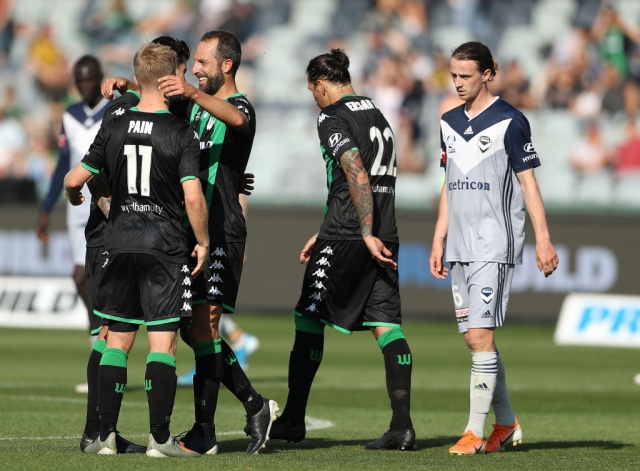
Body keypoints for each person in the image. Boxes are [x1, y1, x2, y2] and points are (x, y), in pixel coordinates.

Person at [63, 41, 209, 458]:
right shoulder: (181, 131)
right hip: (163, 246)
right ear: (170, 79)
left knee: (116, 342)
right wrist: (202, 241)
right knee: (162, 344)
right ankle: (161, 440)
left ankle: (104, 436)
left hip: (118, 243)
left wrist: (74, 198)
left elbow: (76, 180)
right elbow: (194, 198)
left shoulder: (115, 121)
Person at [268, 48, 415, 451]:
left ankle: (293, 420)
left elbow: (353, 168)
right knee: (387, 326)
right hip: (383, 232)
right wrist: (334, 229)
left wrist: (359, 230)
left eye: (312, 91)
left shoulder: (331, 115)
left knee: (307, 318)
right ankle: (401, 426)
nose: (314, 98)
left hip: (354, 233)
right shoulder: (377, 113)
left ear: (320, 84)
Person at [429, 41, 559, 455]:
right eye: (454, 75)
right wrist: (439, 236)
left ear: (488, 73)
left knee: (481, 334)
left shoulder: (511, 121)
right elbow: (449, 184)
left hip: (494, 242)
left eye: (466, 76)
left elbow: (529, 184)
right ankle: (506, 423)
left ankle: (474, 431)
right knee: (473, 339)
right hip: (460, 245)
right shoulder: (448, 121)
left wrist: (544, 238)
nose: (458, 83)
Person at [157, 30, 277, 455]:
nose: (195, 69)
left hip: (223, 234)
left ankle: (204, 433)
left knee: (204, 328)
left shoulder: (238, 106)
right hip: (192, 235)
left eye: (203, 62)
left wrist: (191, 92)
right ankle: (255, 404)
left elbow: (239, 120)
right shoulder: (193, 108)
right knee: (195, 332)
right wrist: (123, 86)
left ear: (227, 65)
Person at [35, 55, 111, 394]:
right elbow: (64, 163)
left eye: (89, 79)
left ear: (99, 78)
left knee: (95, 276)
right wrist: (47, 206)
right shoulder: (70, 114)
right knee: (80, 276)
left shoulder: (114, 109)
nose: (84, 85)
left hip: (105, 202)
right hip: (75, 204)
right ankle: (100, 339)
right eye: (78, 80)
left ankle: (105, 347)